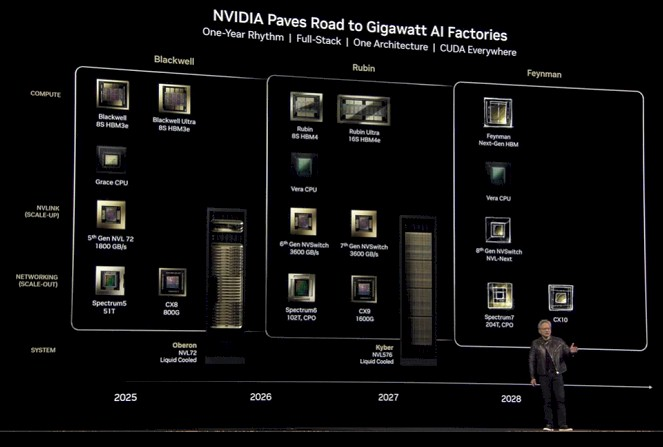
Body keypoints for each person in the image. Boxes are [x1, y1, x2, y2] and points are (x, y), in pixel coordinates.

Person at [528, 319, 578, 431]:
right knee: (547, 400)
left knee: (560, 399)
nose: (547, 330)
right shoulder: (535, 343)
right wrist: (532, 377)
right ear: (539, 331)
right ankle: (549, 424)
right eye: (544, 329)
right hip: (543, 375)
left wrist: (571, 352)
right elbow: (531, 360)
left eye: (549, 328)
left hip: (557, 374)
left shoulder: (558, 341)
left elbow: (567, 354)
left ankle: (563, 425)